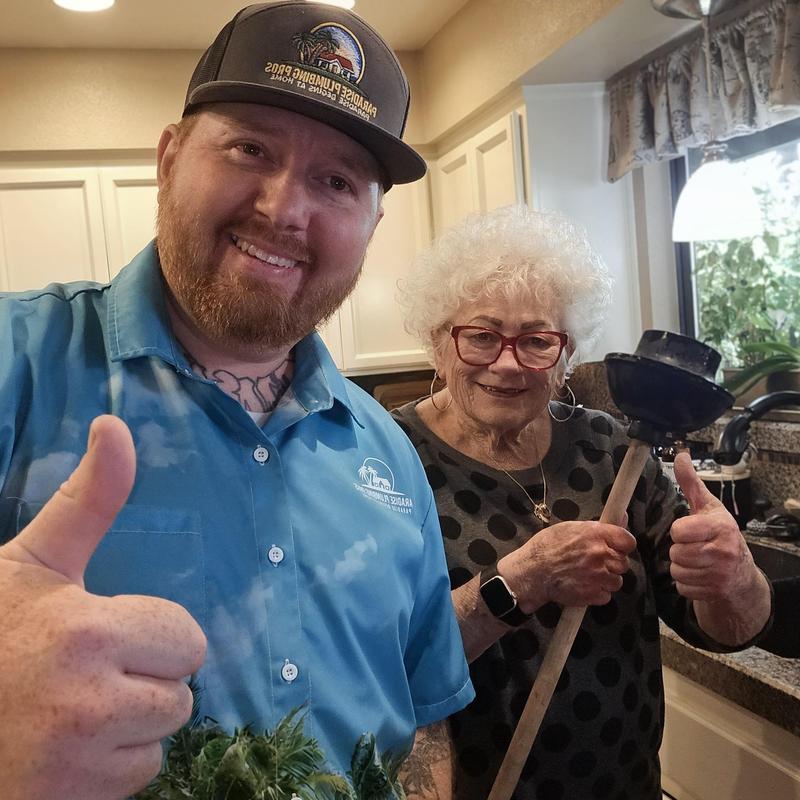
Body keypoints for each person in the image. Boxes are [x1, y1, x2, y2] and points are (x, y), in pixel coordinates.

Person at [0, 4, 474, 799]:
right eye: (251, 147)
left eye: (336, 181)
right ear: (170, 157)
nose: (285, 208)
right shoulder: (18, 365)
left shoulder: (388, 453)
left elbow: (422, 714)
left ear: (373, 222)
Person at [391, 204, 774, 800]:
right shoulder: (386, 461)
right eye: (482, 336)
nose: (508, 363)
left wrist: (734, 574)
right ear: (438, 340)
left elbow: (728, 632)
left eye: (538, 340)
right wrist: (518, 584)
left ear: (566, 354)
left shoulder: (613, 449)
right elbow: (376, 660)